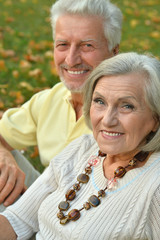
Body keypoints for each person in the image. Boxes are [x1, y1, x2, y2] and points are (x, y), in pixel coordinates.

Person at [0, 52, 160, 240]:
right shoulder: (82, 148)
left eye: (127, 106)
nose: (107, 120)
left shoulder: (154, 186)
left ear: (155, 119)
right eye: (100, 101)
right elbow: (19, 218)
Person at [0, 0, 123, 210]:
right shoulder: (49, 99)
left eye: (87, 45)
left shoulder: (131, 111)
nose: (72, 59)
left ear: (114, 52)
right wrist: (4, 157)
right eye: (63, 44)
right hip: (45, 205)